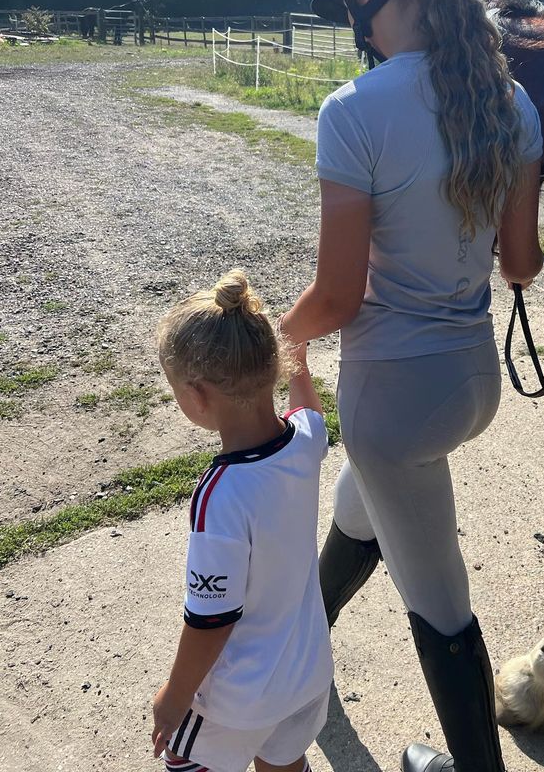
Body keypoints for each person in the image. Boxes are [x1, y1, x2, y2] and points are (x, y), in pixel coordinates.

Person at [280, 0, 543, 772]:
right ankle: (300, 642)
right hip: (473, 385)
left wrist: (288, 332)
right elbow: (520, 266)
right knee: (369, 499)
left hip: (395, 398)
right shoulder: (515, 104)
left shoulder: (352, 112)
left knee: (441, 603)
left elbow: (339, 296)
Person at [151, 269, 333, 772]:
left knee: (187, 763)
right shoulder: (305, 443)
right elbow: (307, 412)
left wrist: (175, 695)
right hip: (307, 675)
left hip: (238, 701)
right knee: (283, 760)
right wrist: (299, 367)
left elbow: (212, 618)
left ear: (200, 395)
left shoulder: (221, 495)